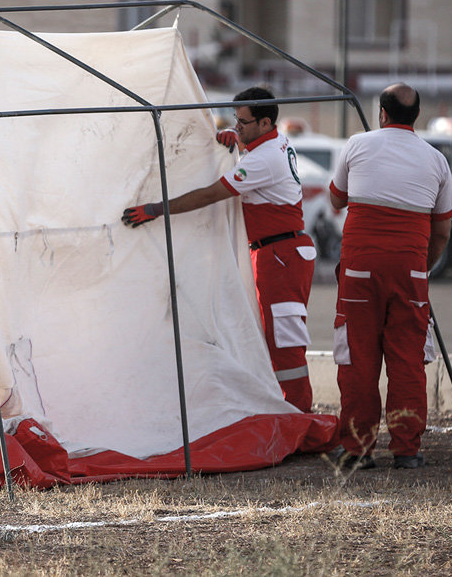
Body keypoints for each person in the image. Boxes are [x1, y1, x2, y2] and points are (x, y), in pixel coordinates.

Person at [122, 86, 317, 412]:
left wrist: (157, 209)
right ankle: (291, 413)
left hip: (281, 255)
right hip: (279, 250)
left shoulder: (265, 159)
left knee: (285, 344)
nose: (237, 126)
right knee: (273, 338)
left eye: (242, 122)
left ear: (265, 122)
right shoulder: (271, 143)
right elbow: (251, 154)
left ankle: (300, 418)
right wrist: (237, 140)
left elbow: (211, 194)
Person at [327, 83, 452, 470]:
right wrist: (422, 268)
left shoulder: (357, 145)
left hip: (359, 271)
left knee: (358, 360)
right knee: (407, 361)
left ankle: (357, 449)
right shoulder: (436, 160)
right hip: (410, 273)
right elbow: (443, 231)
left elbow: (336, 199)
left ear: (381, 113)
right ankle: (407, 451)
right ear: (415, 116)